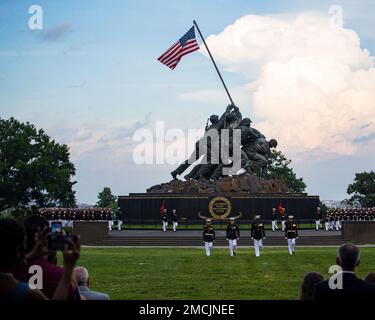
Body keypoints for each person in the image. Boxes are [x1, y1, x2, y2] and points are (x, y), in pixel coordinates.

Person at [0, 218, 80, 300]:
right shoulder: (29, 293)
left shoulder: (15, 271)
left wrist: (31, 255)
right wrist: (68, 270)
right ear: (18, 251)